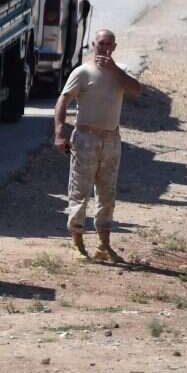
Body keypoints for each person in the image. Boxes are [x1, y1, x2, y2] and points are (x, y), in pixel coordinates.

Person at [53, 29, 142, 262]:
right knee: (79, 191)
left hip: (111, 140)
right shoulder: (83, 72)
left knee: (107, 193)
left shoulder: (120, 71)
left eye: (109, 44)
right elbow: (63, 100)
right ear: (93, 45)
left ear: (114, 47)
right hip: (86, 139)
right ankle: (77, 242)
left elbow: (136, 90)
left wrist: (114, 70)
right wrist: (60, 133)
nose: (104, 48)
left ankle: (104, 244)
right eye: (101, 43)